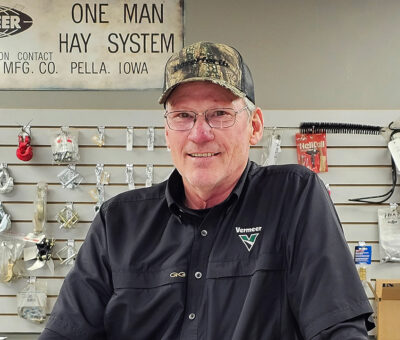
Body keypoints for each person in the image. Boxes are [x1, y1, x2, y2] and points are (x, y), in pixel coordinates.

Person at [39, 41, 374, 339]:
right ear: (167, 131)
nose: (200, 134)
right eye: (183, 115)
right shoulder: (118, 221)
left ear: (254, 126)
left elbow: (340, 329)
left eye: (219, 114)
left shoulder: (294, 197)